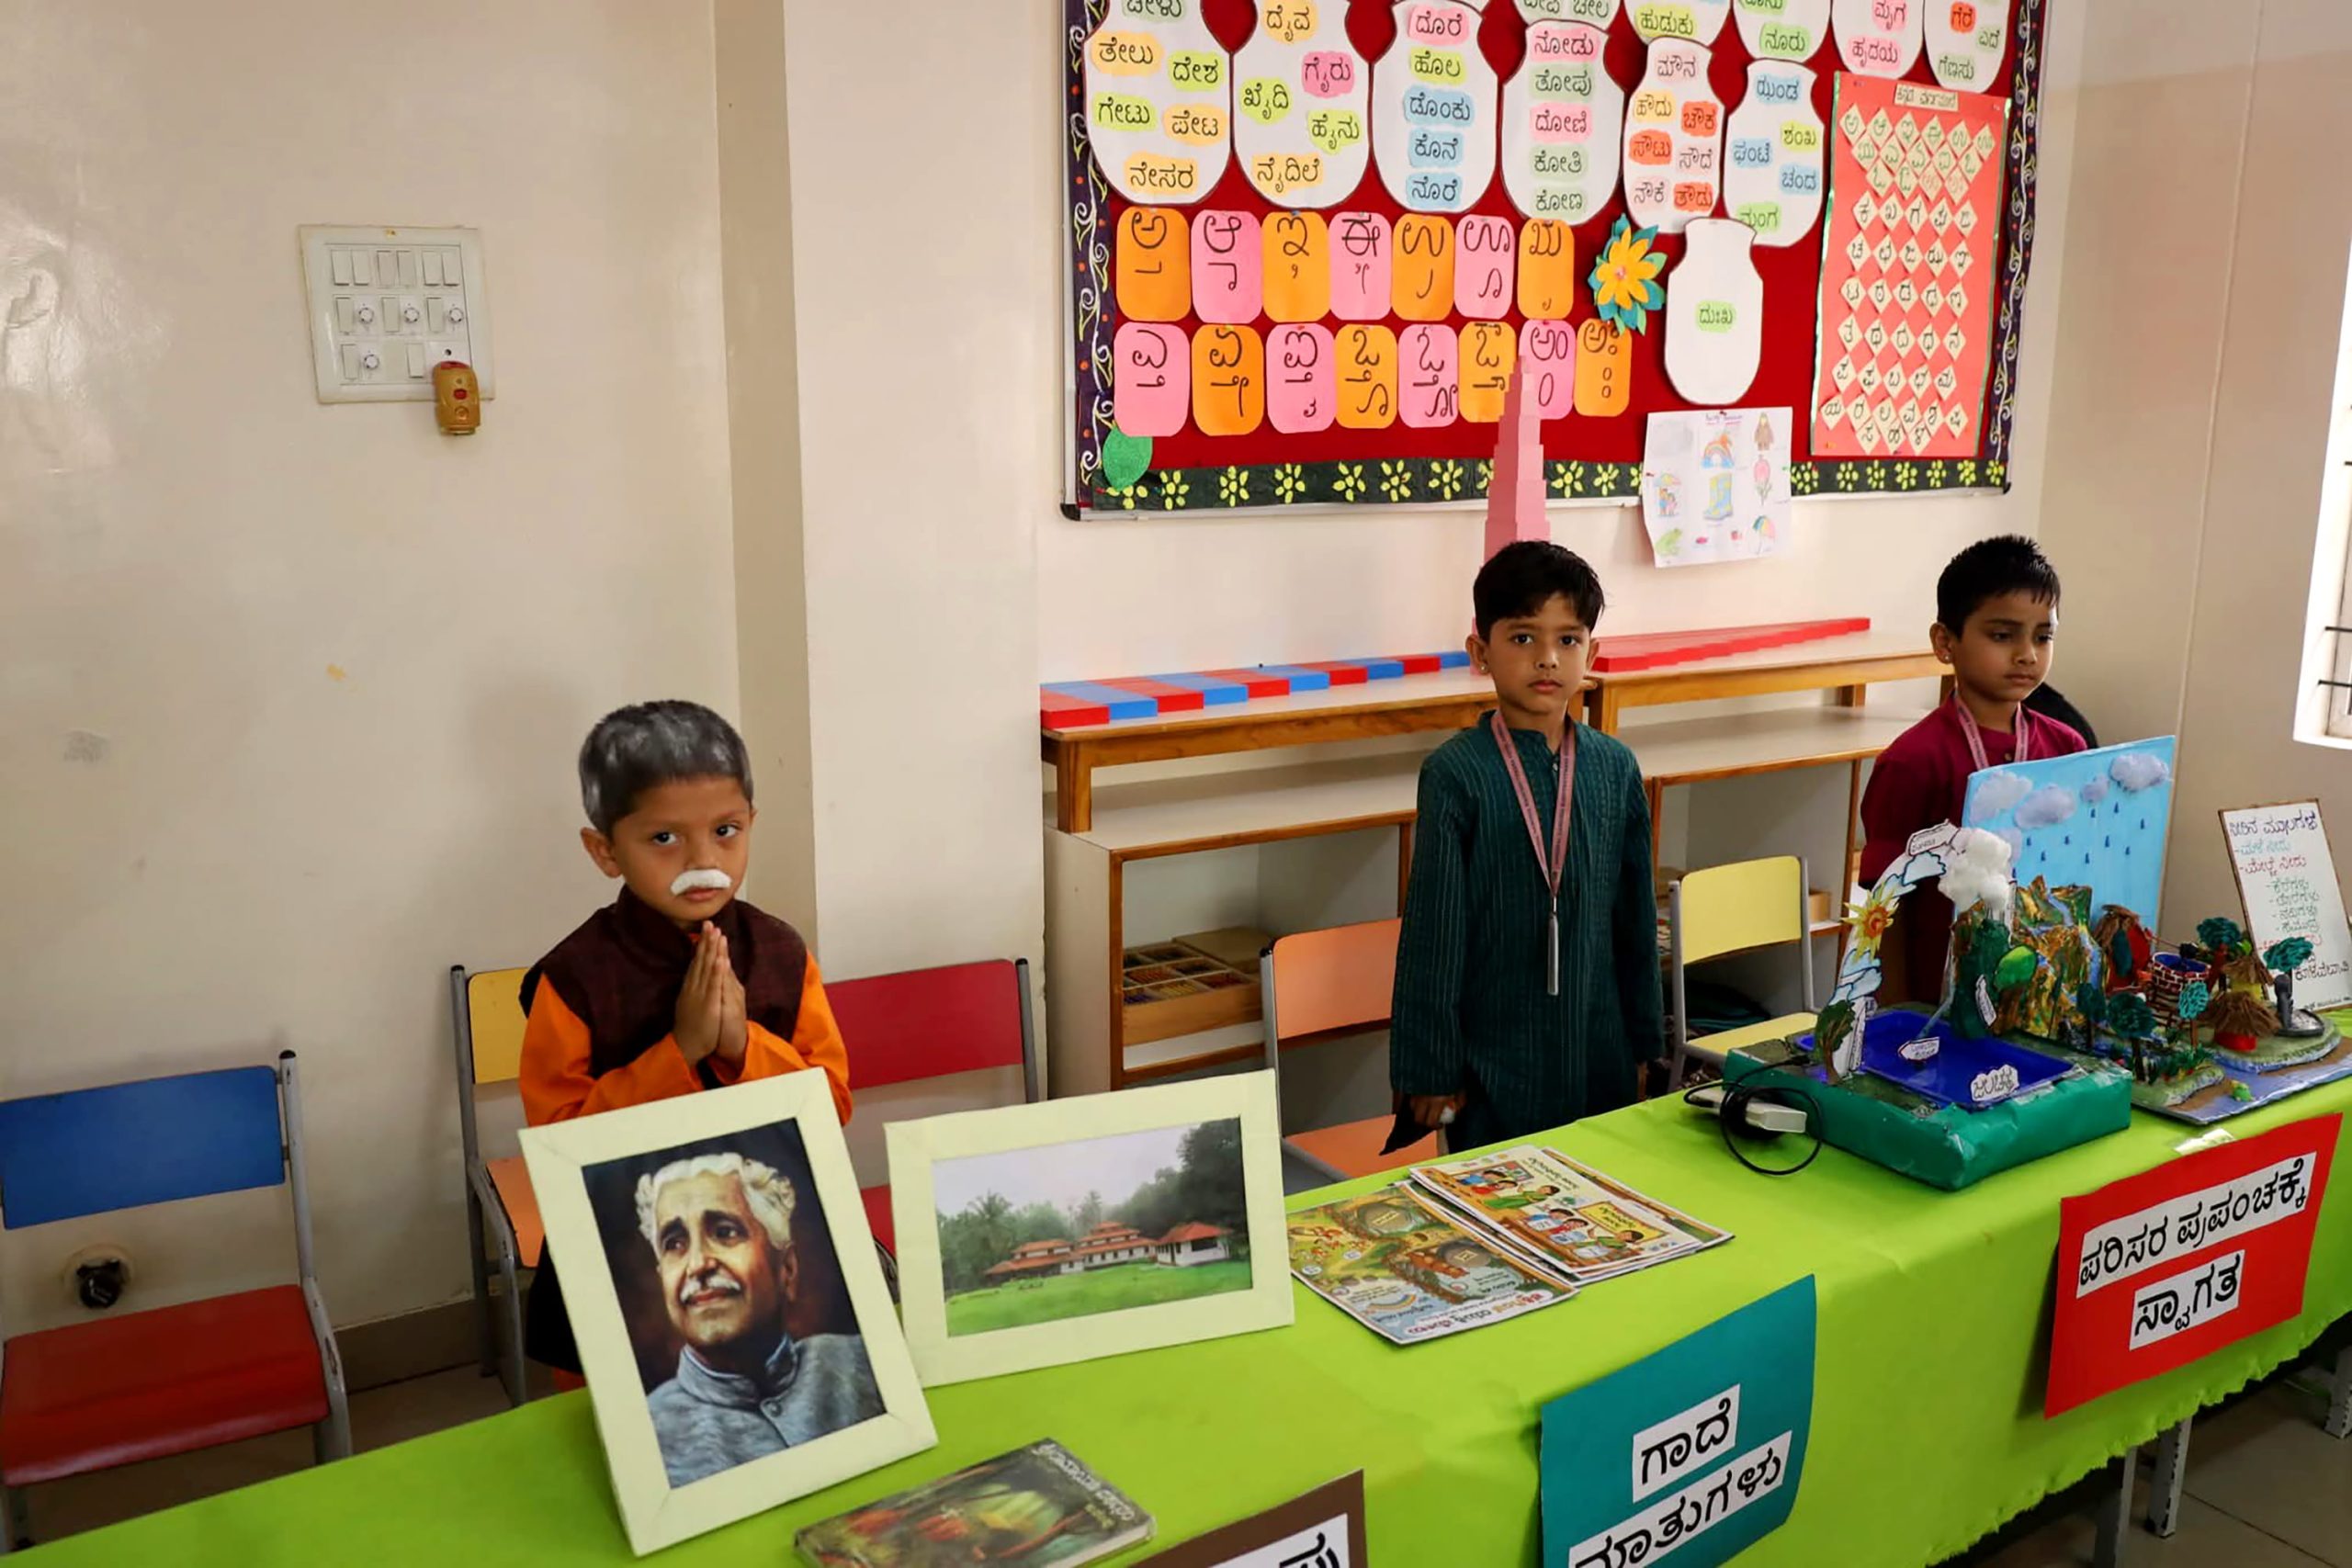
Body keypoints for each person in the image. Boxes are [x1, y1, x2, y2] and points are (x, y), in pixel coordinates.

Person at [519, 700, 854, 1377]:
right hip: (615, 1256)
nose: (704, 861)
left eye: (726, 831)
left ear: (751, 822)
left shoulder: (782, 952)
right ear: (605, 850)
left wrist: (742, 1047)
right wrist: (678, 1053)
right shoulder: (574, 979)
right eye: (665, 838)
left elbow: (832, 1103)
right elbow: (560, 1141)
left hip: (759, 1257)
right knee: (613, 1420)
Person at [1390, 541, 1664, 1150]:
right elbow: (1434, 934)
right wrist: (1430, 1069)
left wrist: (1646, 1044)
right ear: (1480, 652)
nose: (1547, 658)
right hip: (1493, 1061)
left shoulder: (1615, 768)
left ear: (1591, 653)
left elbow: (1635, 923)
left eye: (1568, 639)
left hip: (1598, 1050)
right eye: (1522, 638)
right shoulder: (1456, 773)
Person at [1860, 536, 2087, 1002]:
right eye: (2003, 636)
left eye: (2042, 637)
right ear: (1945, 642)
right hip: (1936, 999)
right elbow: (1886, 906)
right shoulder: (1912, 760)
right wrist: (1897, 1016)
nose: (2027, 654)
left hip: (2043, 993)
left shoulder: (2067, 747)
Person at [638, 1152, 882, 1486]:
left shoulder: (865, 1362)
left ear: (787, 1268)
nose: (698, 1264)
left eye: (725, 1232)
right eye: (675, 1243)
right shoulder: (645, 1437)